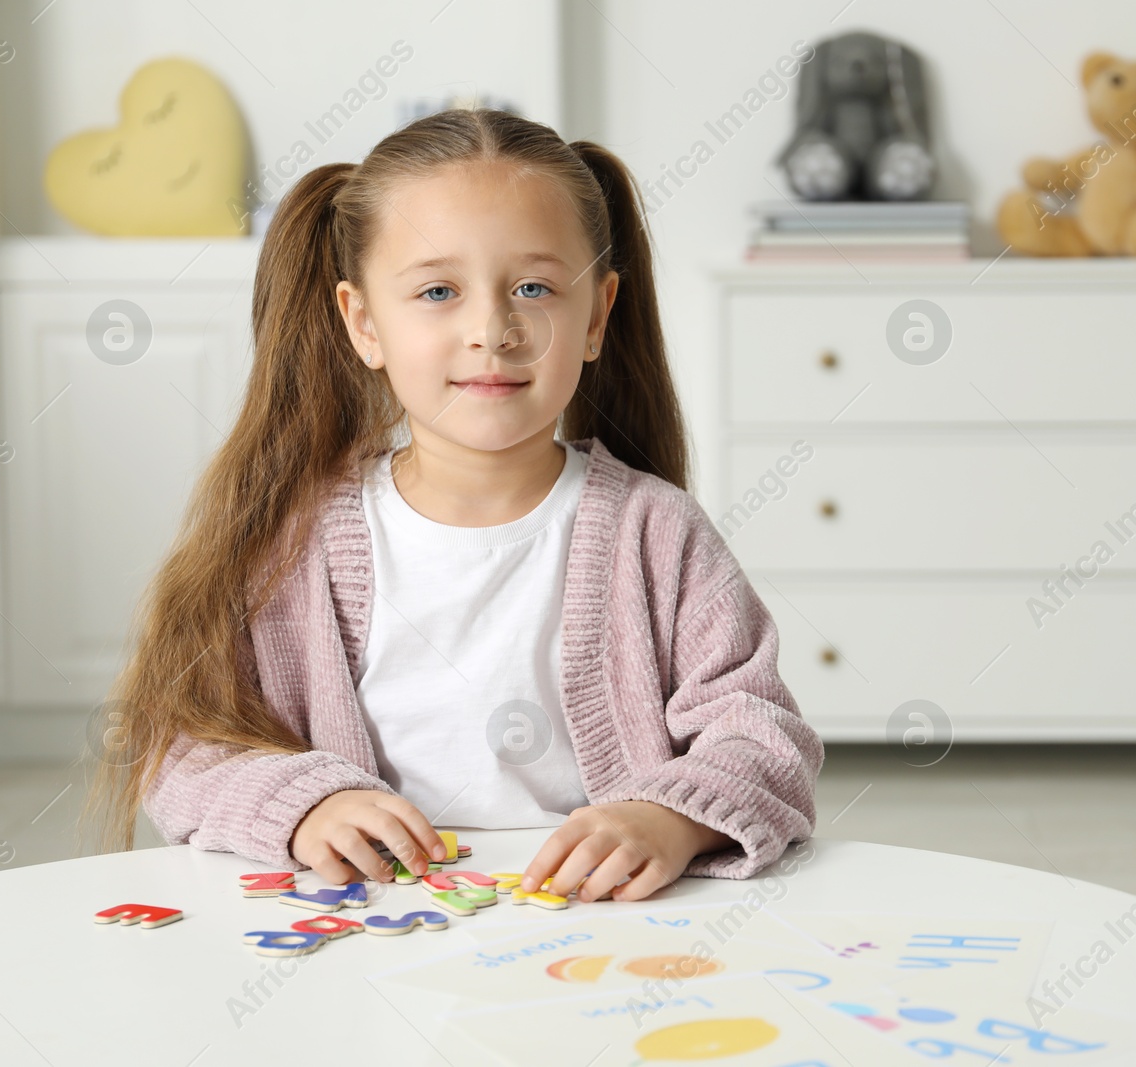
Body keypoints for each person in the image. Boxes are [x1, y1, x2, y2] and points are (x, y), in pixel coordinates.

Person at [80, 107, 822, 904]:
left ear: (597, 315)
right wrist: (307, 806)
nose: (491, 329)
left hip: (597, 928)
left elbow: (762, 734)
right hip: (370, 930)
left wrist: (669, 818)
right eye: (438, 290)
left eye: (534, 287)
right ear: (364, 323)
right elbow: (185, 749)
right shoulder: (294, 542)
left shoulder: (659, 531)